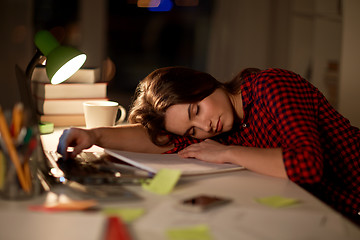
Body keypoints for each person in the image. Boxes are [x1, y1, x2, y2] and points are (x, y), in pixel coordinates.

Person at [57, 66, 360, 223]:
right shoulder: (220, 127)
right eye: (191, 128)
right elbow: (156, 140)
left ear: (204, 83)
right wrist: (93, 136)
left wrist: (227, 153)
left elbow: (307, 165)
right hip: (334, 212)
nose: (204, 127)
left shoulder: (271, 86)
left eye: (196, 110)